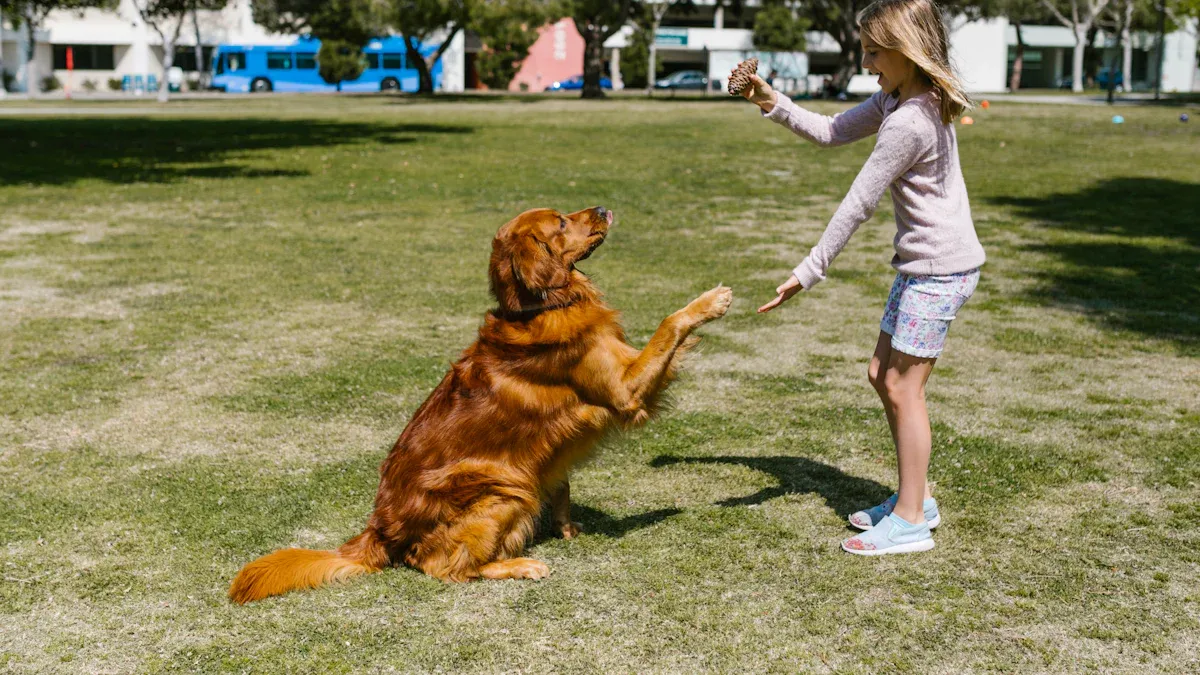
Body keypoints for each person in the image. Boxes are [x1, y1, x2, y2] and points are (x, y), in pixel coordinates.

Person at [735, 0, 986, 556]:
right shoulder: (899, 97)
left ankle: (912, 520)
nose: (866, 60)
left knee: (903, 386)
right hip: (924, 266)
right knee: (881, 374)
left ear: (906, 50)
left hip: (940, 271)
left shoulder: (909, 121)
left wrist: (808, 270)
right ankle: (914, 497)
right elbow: (830, 131)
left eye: (875, 51)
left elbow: (858, 203)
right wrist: (771, 101)